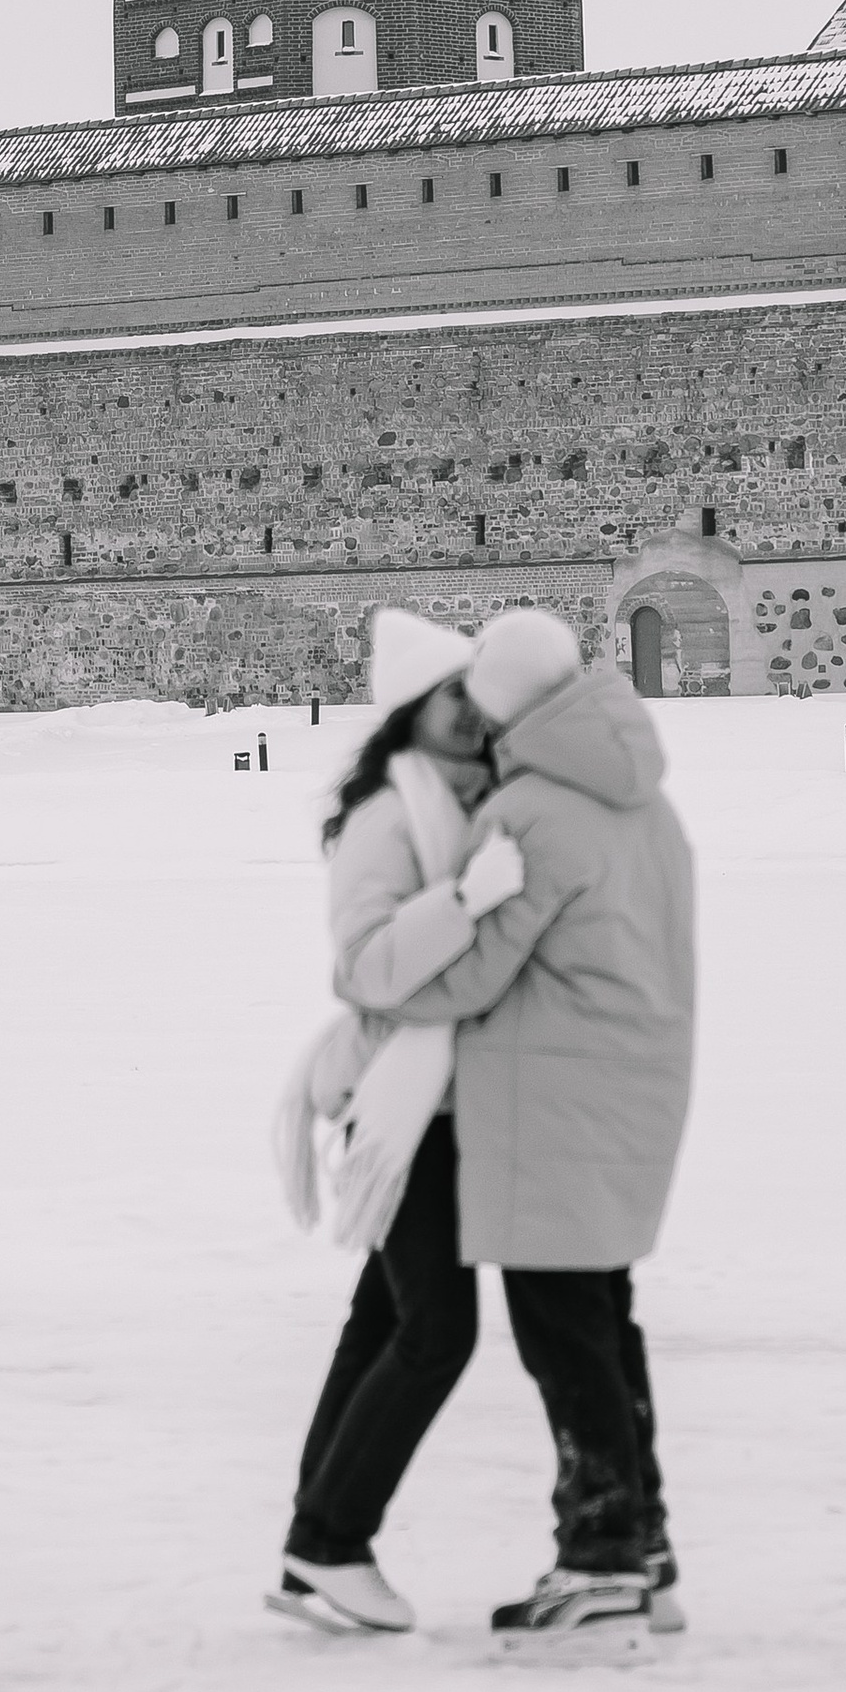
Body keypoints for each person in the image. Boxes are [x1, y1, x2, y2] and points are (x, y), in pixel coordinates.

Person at [351, 605, 697, 1643]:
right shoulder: (646, 800)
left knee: (565, 1338)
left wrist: (379, 998)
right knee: (604, 1323)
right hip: (634, 1083)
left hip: (547, 1099)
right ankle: (645, 1549)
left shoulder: (532, 814)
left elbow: (472, 972)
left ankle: (599, 1560)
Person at [270, 609, 527, 1635]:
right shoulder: (389, 817)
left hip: (450, 1095)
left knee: (378, 1323)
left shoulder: (474, 801)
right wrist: (464, 897)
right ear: (411, 715)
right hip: (403, 1101)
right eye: (450, 698)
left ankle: (310, 1546)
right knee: (436, 1329)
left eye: (477, 695)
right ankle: (330, 1541)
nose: (471, 714)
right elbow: (366, 970)